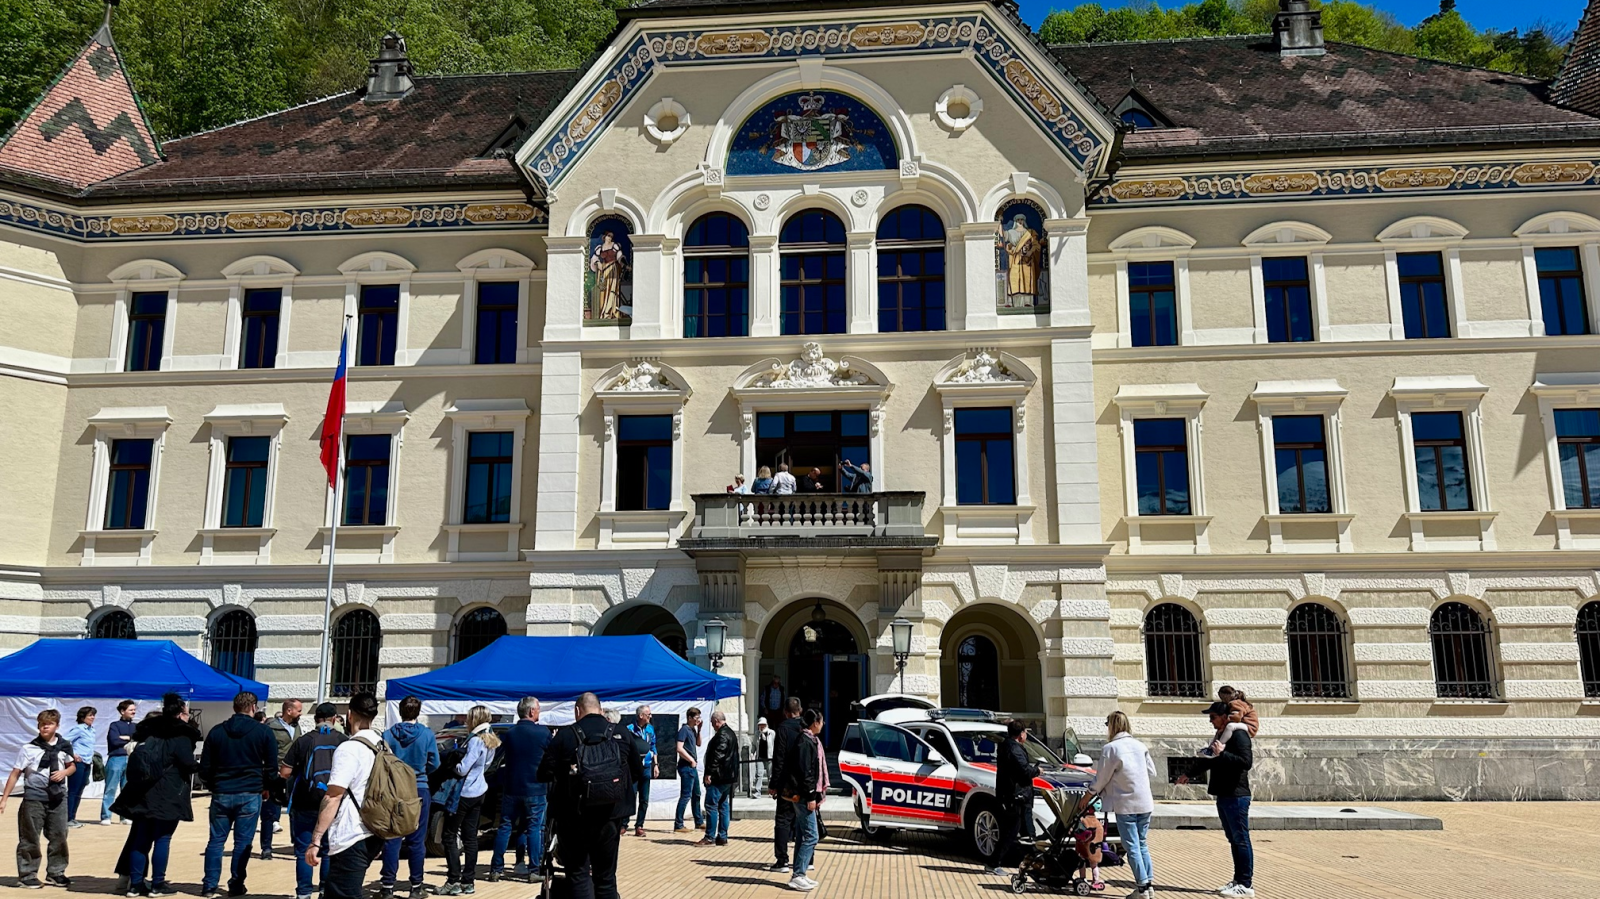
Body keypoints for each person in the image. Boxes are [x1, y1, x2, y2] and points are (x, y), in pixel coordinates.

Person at [537, 692, 642, 899]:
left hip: (574, 818)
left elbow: (543, 774)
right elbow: (637, 771)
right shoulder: (620, 733)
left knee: (577, 873)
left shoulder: (566, 736)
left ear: (577, 711)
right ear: (601, 710)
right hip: (611, 816)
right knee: (606, 877)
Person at [112, 692, 201, 898]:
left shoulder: (146, 731)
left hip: (142, 791)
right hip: (168, 792)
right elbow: (188, 764)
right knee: (163, 838)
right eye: (186, 714)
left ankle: (135, 885)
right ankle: (158, 884)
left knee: (140, 839)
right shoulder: (181, 736)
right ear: (180, 714)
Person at [197, 690, 277, 899]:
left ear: (234, 708)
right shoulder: (263, 732)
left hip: (222, 791)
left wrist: (214, 784)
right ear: (253, 708)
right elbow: (271, 766)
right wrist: (266, 786)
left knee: (215, 841)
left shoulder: (216, 731)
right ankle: (236, 883)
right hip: (250, 791)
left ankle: (209, 885)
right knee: (242, 842)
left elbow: (204, 768)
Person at [305, 692, 385, 899]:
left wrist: (316, 840)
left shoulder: (349, 748)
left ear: (349, 715)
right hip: (375, 829)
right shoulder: (383, 745)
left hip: (352, 833)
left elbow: (333, 796)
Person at [1179, 702, 1255, 898]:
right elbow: (1209, 760)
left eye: (1213, 717)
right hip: (1224, 794)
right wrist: (1188, 774)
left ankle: (1246, 885)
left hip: (1237, 795)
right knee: (1234, 840)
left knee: (1241, 840)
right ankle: (1237, 880)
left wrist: (1224, 753)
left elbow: (1246, 763)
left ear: (1224, 716)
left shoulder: (1239, 735)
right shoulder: (1221, 736)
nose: (1210, 720)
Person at [1, 709, 77, 889]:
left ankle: (56, 872)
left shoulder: (64, 746)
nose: (44, 727)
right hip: (34, 797)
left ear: (57, 726)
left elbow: (72, 765)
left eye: (48, 724)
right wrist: (4, 798)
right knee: (30, 837)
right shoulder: (29, 748)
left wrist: (65, 772)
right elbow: (15, 773)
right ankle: (27, 874)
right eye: (41, 724)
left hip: (58, 798)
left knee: (59, 835)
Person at [1086, 711, 1156, 899]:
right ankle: (1148, 885)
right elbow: (1152, 771)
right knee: (1142, 844)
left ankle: (1142, 888)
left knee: (1132, 846)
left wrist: (1089, 794)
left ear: (1111, 726)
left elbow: (1101, 778)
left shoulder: (1111, 748)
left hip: (1126, 803)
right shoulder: (1140, 746)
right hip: (1145, 802)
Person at [282, 704, 346, 899]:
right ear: (334, 718)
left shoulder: (304, 741)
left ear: (315, 719)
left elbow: (285, 772)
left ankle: (303, 893)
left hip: (305, 801)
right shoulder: (343, 741)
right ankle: (325, 891)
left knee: (303, 851)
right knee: (327, 851)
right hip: (333, 802)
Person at [379, 696, 437, 899]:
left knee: (392, 838)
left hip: (394, 789)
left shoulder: (387, 734)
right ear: (418, 712)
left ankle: (387, 886)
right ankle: (416, 886)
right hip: (419, 787)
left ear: (401, 711)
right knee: (417, 840)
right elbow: (434, 763)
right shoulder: (427, 735)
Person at [490, 697, 551, 883]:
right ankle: (534, 869)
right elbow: (551, 757)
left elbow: (499, 757)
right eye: (538, 709)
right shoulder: (542, 732)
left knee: (505, 827)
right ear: (532, 712)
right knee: (533, 828)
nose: (539, 712)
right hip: (535, 787)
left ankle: (496, 869)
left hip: (512, 787)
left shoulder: (510, 733)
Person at [440, 705, 498, 895]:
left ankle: (453, 879)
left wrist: (453, 766)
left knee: (449, 835)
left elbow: (463, 769)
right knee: (470, 837)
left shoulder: (475, 741)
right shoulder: (491, 739)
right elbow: (486, 765)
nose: (466, 721)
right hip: (480, 789)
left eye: (468, 718)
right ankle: (468, 880)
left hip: (465, 792)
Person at [778, 709, 825, 893]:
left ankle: (800, 873)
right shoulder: (805, 742)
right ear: (815, 723)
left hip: (802, 794)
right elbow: (806, 773)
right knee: (812, 835)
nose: (823, 725)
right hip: (803, 796)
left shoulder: (806, 740)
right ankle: (798, 874)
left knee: (802, 833)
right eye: (821, 721)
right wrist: (812, 796)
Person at [989, 719, 1040, 877]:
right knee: (1012, 830)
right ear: (1021, 734)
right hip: (1016, 796)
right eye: (1025, 733)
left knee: (1027, 831)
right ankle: (994, 863)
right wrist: (1037, 771)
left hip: (1018, 796)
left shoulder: (1008, 746)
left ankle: (1035, 861)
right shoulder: (1014, 749)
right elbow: (1024, 772)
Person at [260, 699, 303, 861]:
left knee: (294, 810)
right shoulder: (271, 728)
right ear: (289, 711)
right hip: (275, 774)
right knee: (270, 812)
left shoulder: (296, 727)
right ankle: (266, 847)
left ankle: (296, 843)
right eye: (298, 710)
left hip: (293, 775)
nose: (301, 713)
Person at [767, 697, 804, 874]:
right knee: (803, 820)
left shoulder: (782, 729)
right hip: (804, 782)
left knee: (782, 820)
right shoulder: (806, 727)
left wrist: (774, 783)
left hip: (787, 783)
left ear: (786, 712)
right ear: (800, 710)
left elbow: (779, 759)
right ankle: (807, 859)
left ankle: (782, 860)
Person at [698, 711, 737, 848]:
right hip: (728, 777)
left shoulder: (722, 735)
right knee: (723, 806)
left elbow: (718, 755)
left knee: (712, 806)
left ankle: (710, 837)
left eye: (713, 723)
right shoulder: (730, 733)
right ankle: (722, 836)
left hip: (719, 777)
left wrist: (709, 773)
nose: (713, 726)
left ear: (716, 721)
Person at [102, 700, 138, 825]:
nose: (133, 712)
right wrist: (130, 739)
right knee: (110, 788)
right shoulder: (115, 725)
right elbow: (114, 741)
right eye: (131, 709)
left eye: (134, 709)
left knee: (127, 789)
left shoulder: (136, 726)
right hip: (116, 758)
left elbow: (138, 740)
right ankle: (106, 816)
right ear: (122, 711)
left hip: (131, 759)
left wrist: (126, 738)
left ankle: (125, 816)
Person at [625, 706, 657, 837]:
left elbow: (653, 746)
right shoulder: (629, 729)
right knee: (630, 796)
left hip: (647, 767)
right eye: (648, 714)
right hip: (633, 768)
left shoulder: (650, 729)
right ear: (641, 716)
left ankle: (639, 825)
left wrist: (656, 764)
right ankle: (624, 824)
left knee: (644, 798)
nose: (650, 716)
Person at [63, 707, 96, 828]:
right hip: (78, 763)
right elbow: (64, 742)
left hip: (87, 762)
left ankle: (73, 817)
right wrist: (73, 754)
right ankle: (67, 818)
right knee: (73, 790)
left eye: (93, 715)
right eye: (90, 715)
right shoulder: (78, 729)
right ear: (83, 717)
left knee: (80, 790)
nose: (92, 717)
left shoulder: (92, 730)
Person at [673, 708, 703, 833]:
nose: (698, 720)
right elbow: (679, 748)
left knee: (696, 794)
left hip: (692, 767)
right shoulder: (684, 730)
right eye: (696, 718)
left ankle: (699, 821)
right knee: (686, 795)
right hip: (686, 766)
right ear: (690, 718)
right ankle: (678, 823)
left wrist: (699, 730)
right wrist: (690, 759)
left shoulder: (693, 730)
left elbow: (699, 744)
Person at [753, 718, 774, 796]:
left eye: (763, 725)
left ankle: (771, 791)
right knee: (759, 774)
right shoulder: (757, 734)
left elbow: (774, 744)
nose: (762, 727)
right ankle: (757, 792)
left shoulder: (771, 733)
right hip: (760, 757)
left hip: (769, 757)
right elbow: (754, 744)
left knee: (770, 775)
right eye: (760, 725)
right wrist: (752, 753)